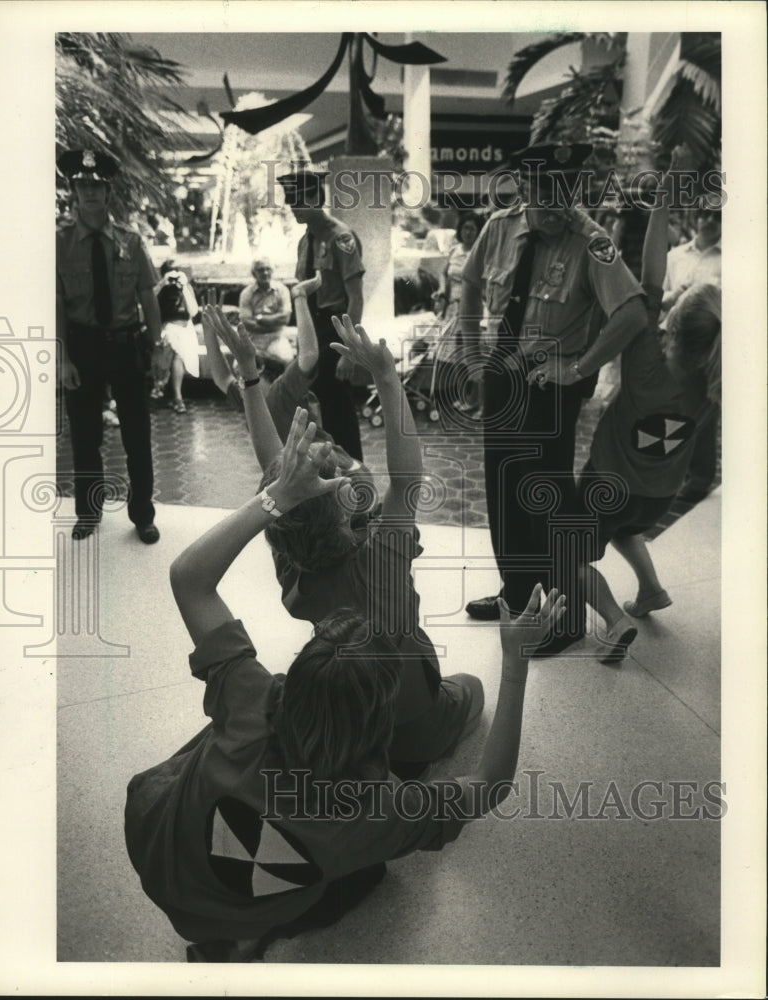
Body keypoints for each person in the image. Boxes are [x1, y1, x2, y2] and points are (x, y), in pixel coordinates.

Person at [125, 404, 566, 962]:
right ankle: (250, 931)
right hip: (259, 886)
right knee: (371, 875)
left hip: (158, 853)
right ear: (379, 720)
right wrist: (516, 663)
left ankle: (232, 935)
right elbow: (492, 783)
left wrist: (277, 496)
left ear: (298, 674)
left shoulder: (250, 699)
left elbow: (188, 577)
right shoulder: (374, 812)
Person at [229, 311, 485, 778]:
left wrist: (250, 377)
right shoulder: (379, 563)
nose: (346, 466)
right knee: (473, 688)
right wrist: (387, 377)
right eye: (339, 471)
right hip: (409, 719)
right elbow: (407, 481)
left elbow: (273, 476)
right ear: (346, 506)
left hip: (349, 710)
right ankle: (411, 755)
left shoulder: (293, 564)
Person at [459, 142, 648, 658]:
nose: (555, 207)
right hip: (503, 377)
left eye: (564, 194)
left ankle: (561, 622)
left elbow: (632, 315)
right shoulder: (500, 226)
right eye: (543, 195)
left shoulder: (592, 242)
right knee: (502, 495)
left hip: (548, 390)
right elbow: (470, 286)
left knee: (543, 504)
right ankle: (519, 597)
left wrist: (580, 367)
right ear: (523, 189)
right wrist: (473, 358)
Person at [578, 153, 721, 663]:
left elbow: (650, 278)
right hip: (658, 496)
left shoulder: (645, 361)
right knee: (626, 525)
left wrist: (662, 198)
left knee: (566, 552)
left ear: (675, 327)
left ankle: (614, 623)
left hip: (608, 480)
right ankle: (652, 589)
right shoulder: (714, 385)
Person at [56, 149, 161, 544]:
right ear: (73, 191)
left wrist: (157, 346)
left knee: (137, 434)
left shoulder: (131, 242)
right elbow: (56, 306)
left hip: (126, 345)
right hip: (81, 347)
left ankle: (143, 515)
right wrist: (63, 357)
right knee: (85, 436)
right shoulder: (60, 243)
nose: (90, 193)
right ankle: (88, 513)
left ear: (107, 191)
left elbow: (148, 297)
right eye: (83, 186)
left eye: (96, 186)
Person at [202, 274, 366, 485]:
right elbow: (221, 377)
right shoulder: (250, 396)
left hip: (344, 474)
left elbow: (308, 355)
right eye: (240, 376)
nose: (240, 379)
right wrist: (208, 330)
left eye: (245, 374)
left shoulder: (280, 390)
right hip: (312, 475)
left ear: (262, 373)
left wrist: (299, 297)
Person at [278, 164, 365, 462]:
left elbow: (356, 299)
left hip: (333, 332)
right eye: (290, 201)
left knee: (340, 414)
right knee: (317, 411)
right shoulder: (305, 241)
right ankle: (330, 480)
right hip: (312, 335)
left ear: (317, 198)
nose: (293, 208)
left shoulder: (342, 238)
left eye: (299, 200)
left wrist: (348, 351)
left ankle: (357, 484)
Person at [662, 203, 722, 503]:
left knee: (703, 413)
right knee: (675, 409)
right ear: (694, 216)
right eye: (705, 213)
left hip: (709, 344)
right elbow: (663, 295)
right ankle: (672, 471)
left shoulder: (731, 259)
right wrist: (673, 298)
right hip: (675, 339)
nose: (709, 220)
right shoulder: (675, 256)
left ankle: (698, 478)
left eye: (717, 215)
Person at [433, 212, 486, 418]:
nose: (468, 232)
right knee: (456, 357)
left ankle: (480, 402)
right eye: (465, 228)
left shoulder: (480, 252)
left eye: (473, 228)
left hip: (472, 310)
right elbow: (443, 273)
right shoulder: (455, 250)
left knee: (474, 355)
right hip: (453, 310)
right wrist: (441, 290)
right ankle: (467, 397)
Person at [152, 259, 202, 413]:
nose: (174, 278)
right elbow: (148, 304)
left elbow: (193, 313)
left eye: (176, 273)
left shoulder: (186, 288)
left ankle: (160, 385)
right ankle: (177, 398)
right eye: (170, 273)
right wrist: (162, 284)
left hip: (185, 331)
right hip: (166, 329)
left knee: (174, 347)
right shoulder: (160, 289)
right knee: (174, 347)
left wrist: (184, 287)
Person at [238, 258, 294, 369]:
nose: (265, 273)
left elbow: (285, 318)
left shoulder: (282, 290)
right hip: (254, 338)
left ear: (272, 271)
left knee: (286, 359)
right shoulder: (246, 293)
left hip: (277, 337)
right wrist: (274, 323)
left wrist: (260, 319)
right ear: (254, 273)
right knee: (239, 366)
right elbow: (247, 323)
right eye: (260, 270)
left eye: (268, 269)